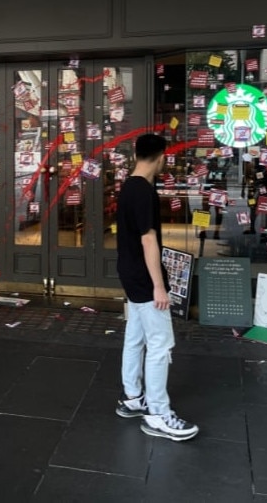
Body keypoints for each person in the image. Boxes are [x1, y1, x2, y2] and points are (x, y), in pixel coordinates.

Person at [115, 133, 198, 442]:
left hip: (129, 273)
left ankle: (133, 398)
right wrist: (159, 286)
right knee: (160, 345)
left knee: (135, 337)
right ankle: (158, 415)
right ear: (161, 157)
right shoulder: (144, 191)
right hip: (144, 277)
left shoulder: (127, 186)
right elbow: (148, 240)